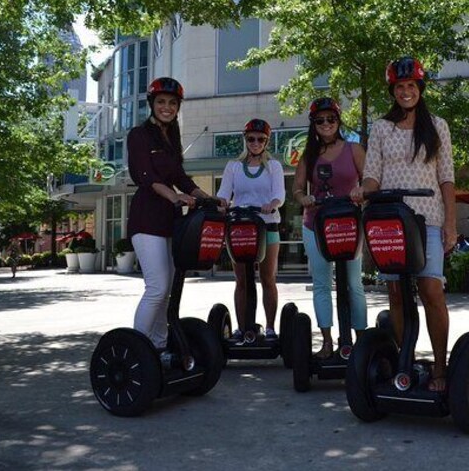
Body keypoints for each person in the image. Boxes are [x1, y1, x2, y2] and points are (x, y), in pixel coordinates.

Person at [351, 56, 456, 393]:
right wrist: (361, 191)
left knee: (431, 291)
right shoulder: (382, 128)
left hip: (428, 219)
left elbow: (447, 179)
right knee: (396, 293)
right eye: (400, 87)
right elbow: (372, 176)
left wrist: (451, 224)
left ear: (420, 88)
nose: (406, 92)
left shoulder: (437, 126)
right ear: (393, 91)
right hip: (390, 220)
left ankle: (440, 367)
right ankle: (404, 362)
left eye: (411, 86)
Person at [127, 77, 220, 350]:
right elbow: (145, 175)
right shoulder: (139, 135)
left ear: (178, 107)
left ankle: (159, 348)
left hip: (169, 222)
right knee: (156, 288)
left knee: (166, 292)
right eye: (161, 102)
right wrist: (174, 196)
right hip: (146, 221)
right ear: (152, 105)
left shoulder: (171, 139)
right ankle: (137, 349)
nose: (166, 107)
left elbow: (182, 177)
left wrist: (209, 198)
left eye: (172, 103)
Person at [293, 97, 367, 359]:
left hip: (348, 224)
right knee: (322, 283)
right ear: (314, 124)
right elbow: (298, 188)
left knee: (353, 283)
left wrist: (362, 190)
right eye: (320, 120)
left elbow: (370, 180)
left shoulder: (353, 149)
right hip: (316, 224)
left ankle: (361, 342)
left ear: (338, 121)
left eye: (331, 119)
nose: (326, 124)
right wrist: (304, 199)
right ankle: (326, 342)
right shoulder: (309, 155)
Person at [217, 118, 285, 340]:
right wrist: (221, 203)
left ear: (267, 141)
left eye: (260, 139)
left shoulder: (273, 166)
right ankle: (241, 327)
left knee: (267, 278)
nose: (255, 143)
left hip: (267, 225)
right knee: (242, 281)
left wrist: (272, 204)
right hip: (240, 228)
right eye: (251, 139)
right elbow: (224, 193)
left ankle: (271, 327)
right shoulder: (233, 167)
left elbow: (279, 195)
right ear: (245, 140)